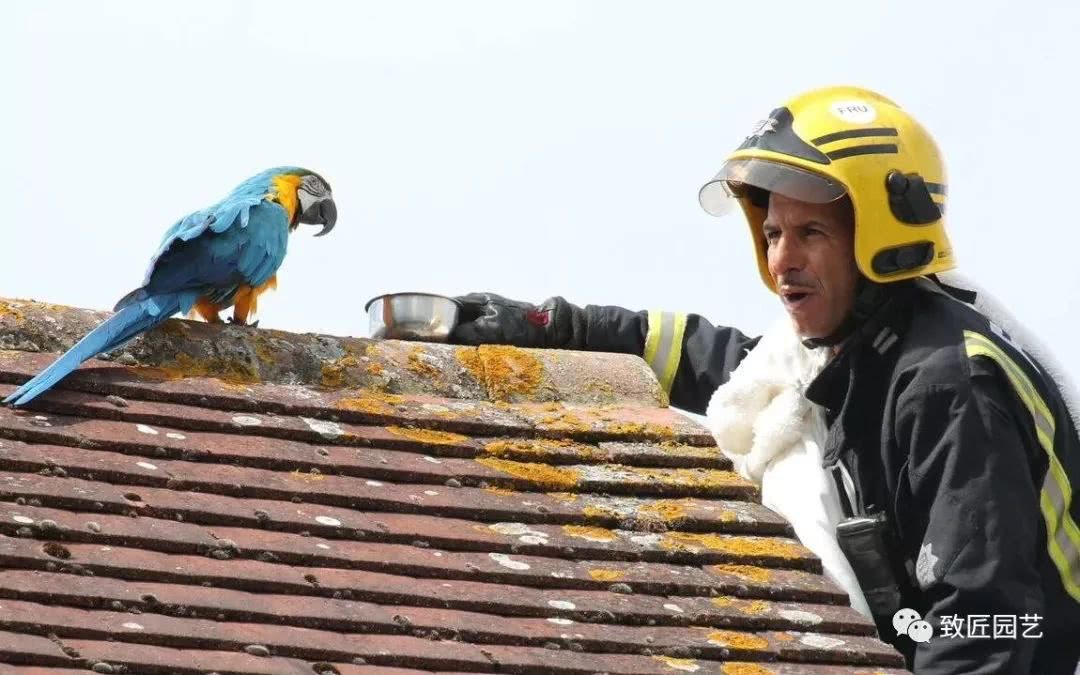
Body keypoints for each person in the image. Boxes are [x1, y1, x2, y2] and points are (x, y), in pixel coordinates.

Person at [450, 86, 1080, 673]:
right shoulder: (836, 359)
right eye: (773, 233)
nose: (782, 259)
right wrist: (551, 324)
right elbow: (711, 361)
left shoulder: (949, 385)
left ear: (880, 239)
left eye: (811, 232)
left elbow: (989, 623)